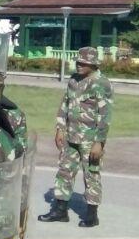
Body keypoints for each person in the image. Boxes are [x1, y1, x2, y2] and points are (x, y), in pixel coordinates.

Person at [39, 46, 113, 227]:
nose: (79, 65)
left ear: (93, 65)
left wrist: (99, 142)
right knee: (64, 171)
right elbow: (65, 104)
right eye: (78, 62)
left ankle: (91, 214)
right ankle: (60, 210)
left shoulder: (102, 84)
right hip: (71, 137)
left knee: (92, 175)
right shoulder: (73, 80)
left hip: (90, 139)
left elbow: (105, 116)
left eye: (83, 63)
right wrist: (60, 128)